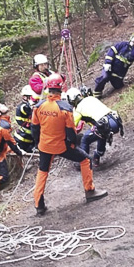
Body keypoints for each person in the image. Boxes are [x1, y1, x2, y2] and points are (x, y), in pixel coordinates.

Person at [31, 73, 107, 215]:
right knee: (85, 160)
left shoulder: (38, 106)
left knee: (42, 172)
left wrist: (38, 144)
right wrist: (71, 145)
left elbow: (34, 128)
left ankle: (38, 205)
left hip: (44, 146)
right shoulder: (65, 108)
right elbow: (71, 131)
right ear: (61, 88)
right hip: (61, 145)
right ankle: (90, 191)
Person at [66, 86, 124, 167]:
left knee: (85, 139)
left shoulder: (78, 110)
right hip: (115, 121)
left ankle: (83, 162)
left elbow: (72, 125)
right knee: (99, 133)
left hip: (104, 126)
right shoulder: (91, 98)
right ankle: (97, 156)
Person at [93, 32, 134, 98]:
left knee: (119, 87)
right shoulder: (122, 44)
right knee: (104, 77)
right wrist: (107, 63)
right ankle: (97, 94)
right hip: (109, 69)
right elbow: (111, 52)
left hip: (119, 75)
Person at [0, 102, 24, 192]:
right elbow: (10, 141)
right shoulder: (3, 126)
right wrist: (19, 152)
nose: (3, 105)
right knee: (4, 177)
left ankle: (22, 168)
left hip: (0, 148)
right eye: (0, 106)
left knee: (13, 151)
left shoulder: (1, 121)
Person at [13, 85, 36, 153]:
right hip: (22, 138)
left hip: (29, 137)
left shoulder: (28, 105)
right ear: (25, 97)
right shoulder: (23, 106)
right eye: (31, 96)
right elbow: (27, 110)